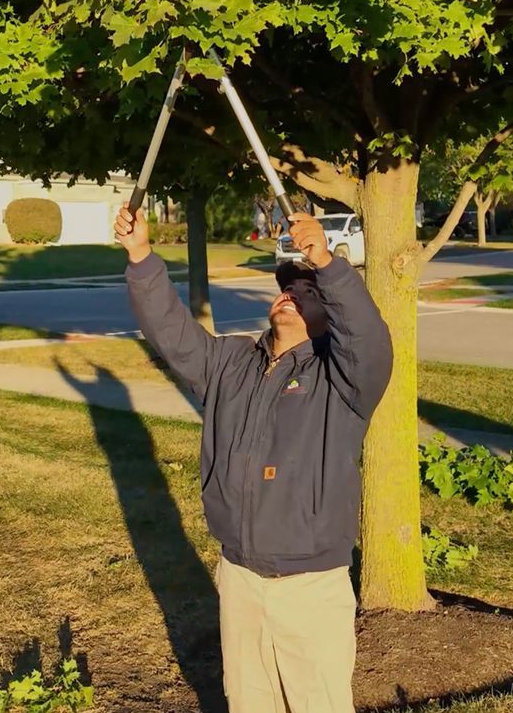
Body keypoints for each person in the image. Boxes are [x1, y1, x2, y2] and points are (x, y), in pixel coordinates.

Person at [116, 205, 392, 713]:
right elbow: (172, 335)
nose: (290, 295)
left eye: (308, 293)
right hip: (239, 574)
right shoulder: (230, 361)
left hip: (309, 585)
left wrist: (328, 263)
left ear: (329, 315)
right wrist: (141, 257)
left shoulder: (345, 382)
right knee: (247, 701)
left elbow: (369, 340)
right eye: (287, 289)